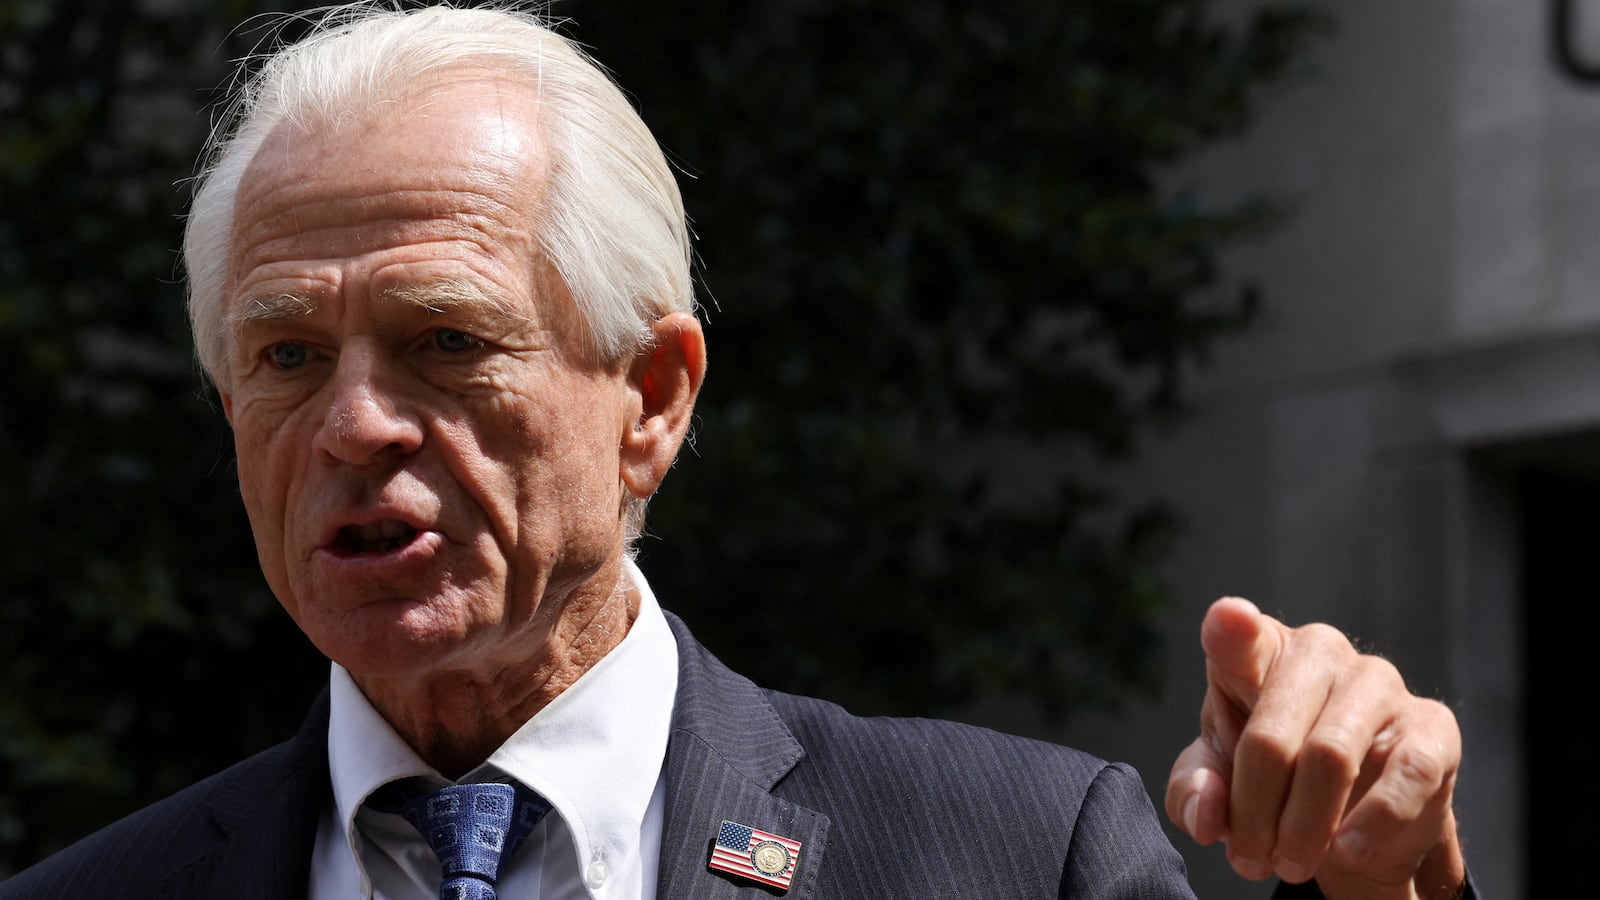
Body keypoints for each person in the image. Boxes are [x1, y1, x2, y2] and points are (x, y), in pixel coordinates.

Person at [0, 5, 1472, 899]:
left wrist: (1374, 892)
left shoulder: (1015, 854)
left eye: (446, 338)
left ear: (650, 398)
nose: (353, 423)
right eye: (286, 357)